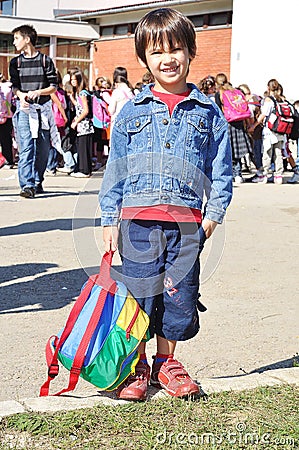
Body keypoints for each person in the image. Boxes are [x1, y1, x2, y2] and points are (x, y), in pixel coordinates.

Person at [99, 7, 233, 401]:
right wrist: (109, 218)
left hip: (187, 224)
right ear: (144, 59)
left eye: (176, 49)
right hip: (137, 222)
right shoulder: (131, 112)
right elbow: (115, 170)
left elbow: (222, 172)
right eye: (157, 52)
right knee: (141, 294)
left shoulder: (209, 113)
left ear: (191, 52)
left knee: (180, 295)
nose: (168, 58)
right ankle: (137, 365)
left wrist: (212, 219)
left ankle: (166, 362)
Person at [9, 24, 59, 197]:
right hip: (24, 110)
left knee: (43, 149)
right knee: (26, 147)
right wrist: (21, 95)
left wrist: (39, 91)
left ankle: (37, 181)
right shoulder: (15, 63)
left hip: (43, 110)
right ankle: (27, 185)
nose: (14, 42)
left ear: (27, 39)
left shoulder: (46, 61)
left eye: (16, 38)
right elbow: (14, 87)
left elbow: (54, 86)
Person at [249, 79, 286, 184]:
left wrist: (254, 126)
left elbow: (263, 114)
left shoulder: (268, 100)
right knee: (278, 153)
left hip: (270, 130)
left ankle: (265, 174)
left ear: (268, 88)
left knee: (267, 153)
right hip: (280, 130)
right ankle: (278, 176)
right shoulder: (281, 99)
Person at [68, 69, 94, 178]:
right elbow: (80, 107)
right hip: (82, 125)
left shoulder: (83, 93)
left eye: (74, 80)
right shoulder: (80, 93)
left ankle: (85, 170)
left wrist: (76, 121)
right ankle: (82, 168)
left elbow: (85, 110)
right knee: (81, 147)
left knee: (84, 148)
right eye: (71, 80)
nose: (72, 82)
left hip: (84, 125)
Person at [108, 66, 134, 130]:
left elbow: (111, 111)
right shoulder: (132, 91)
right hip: (129, 121)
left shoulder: (116, 92)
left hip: (118, 123)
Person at [0, 73, 14, 168]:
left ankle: (7, 160)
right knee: (6, 140)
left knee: (5, 140)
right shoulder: (8, 88)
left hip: (4, 116)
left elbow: (4, 103)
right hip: (7, 115)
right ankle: (8, 160)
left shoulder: (4, 89)